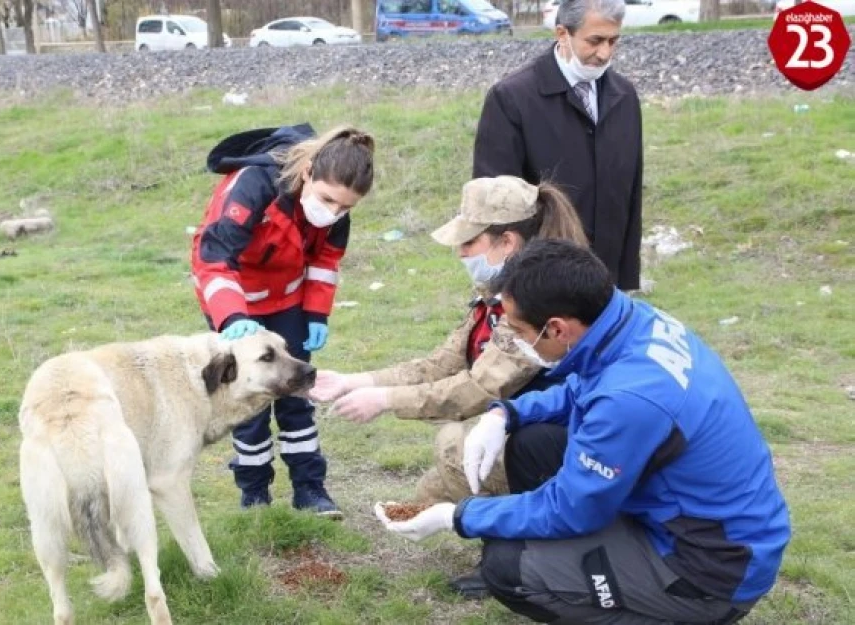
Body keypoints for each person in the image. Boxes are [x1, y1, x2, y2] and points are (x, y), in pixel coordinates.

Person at [375, 239, 791, 624]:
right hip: (695, 517)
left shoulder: (630, 399)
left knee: (508, 566)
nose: (514, 340)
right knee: (532, 444)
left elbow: (570, 509)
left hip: (707, 566)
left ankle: (679, 610)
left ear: (556, 328)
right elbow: (579, 389)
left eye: (519, 331)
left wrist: (459, 515)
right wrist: (506, 414)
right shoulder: (630, 321)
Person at [310, 174, 588, 597]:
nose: (459, 253)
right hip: (536, 428)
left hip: (566, 441)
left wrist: (383, 400)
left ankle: (518, 555)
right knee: (432, 489)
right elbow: (442, 363)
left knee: (454, 445)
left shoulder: (535, 303)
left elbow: (474, 390)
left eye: (469, 243)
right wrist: (356, 381)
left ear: (507, 242)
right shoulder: (497, 292)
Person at [190, 122, 375, 520]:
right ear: (307, 171)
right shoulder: (251, 186)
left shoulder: (334, 206)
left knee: (297, 391)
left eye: (345, 208)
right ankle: (254, 492)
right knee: (249, 397)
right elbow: (213, 259)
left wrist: (315, 313)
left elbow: (325, 262)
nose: (334, 213)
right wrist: (232, 317)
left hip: (288, 300)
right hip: (235, 300)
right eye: (328, 200)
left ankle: (310, 488)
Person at [472, 0, 643, 292]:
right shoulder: (512, 99)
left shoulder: (623, 97)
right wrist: (508, 288)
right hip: (541, 284)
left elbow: (630, 193)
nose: (605, 53)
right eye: (595, 41)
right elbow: (494, 203)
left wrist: (624, 280)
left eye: (613, 41)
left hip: (606, 278)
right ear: (562, 34)